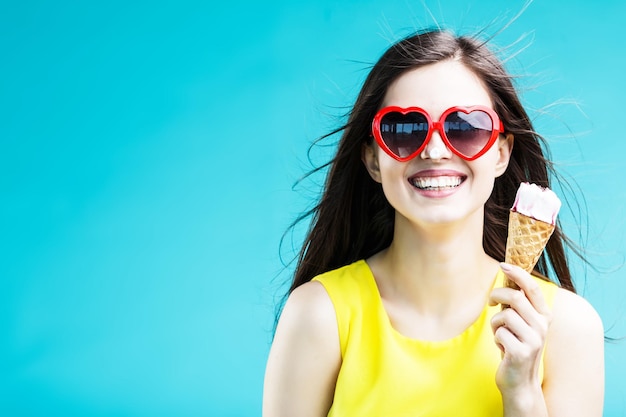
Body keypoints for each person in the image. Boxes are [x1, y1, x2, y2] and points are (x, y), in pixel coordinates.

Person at [263, 29, 604, 417]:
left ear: (500, 153)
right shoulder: (317, 314)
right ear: (374, 159)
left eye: (466, 127)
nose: (435, 150)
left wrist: (523, 392)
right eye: (404, 128)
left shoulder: (568, 328)